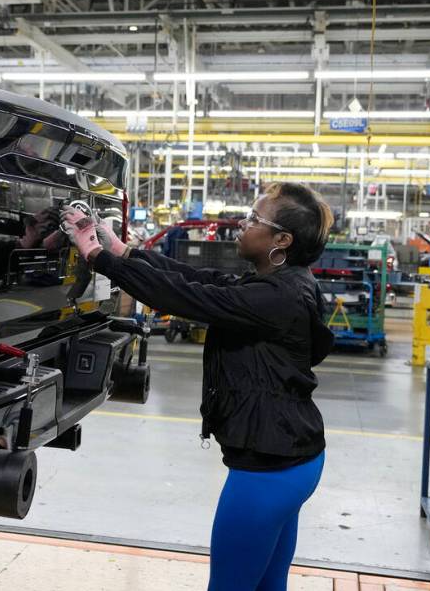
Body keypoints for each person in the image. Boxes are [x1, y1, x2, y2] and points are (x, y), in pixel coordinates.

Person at [61, 183, 334, 591]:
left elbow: (184, 298)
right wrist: (126, 253)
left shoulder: (278, 298)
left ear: (282, 240)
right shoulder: (284, 282)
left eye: (254, 219)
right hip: (294, 457)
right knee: (268, 583)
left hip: (268, 469)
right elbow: (199, 278)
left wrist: (99, 258)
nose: (242, 224)